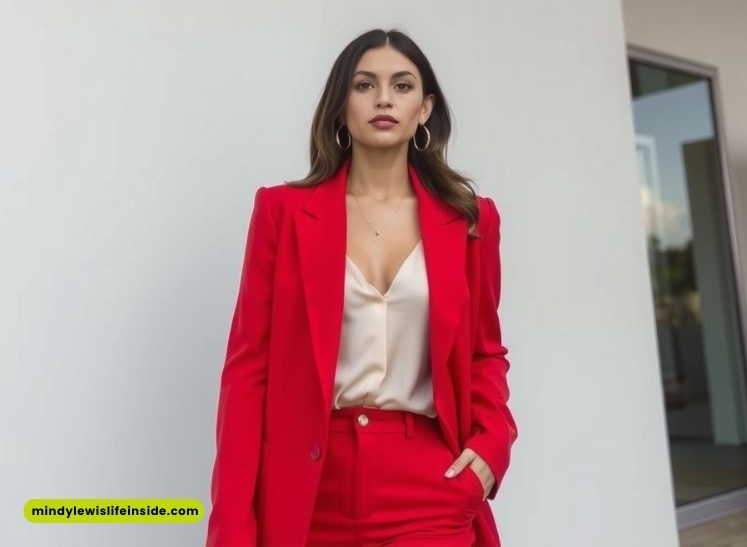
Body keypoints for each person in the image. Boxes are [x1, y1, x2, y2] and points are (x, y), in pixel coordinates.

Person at [205, 28, 518, 546]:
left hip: (428, 485)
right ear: (340, 105)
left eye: (402, 86)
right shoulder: (282, 214)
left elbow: (486, 352)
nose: (383, 99)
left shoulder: (470, 222)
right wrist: (231, 527)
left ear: (424, 109)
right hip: (309, 490)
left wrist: (492, 448)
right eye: (364, 85)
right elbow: (247, 375)